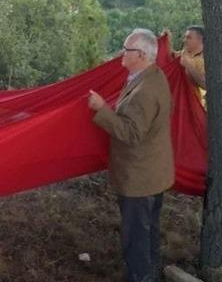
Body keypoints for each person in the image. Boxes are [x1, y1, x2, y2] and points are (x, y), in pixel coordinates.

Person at [88, 28, 174, 282]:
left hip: (139, 177)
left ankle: (141, 277)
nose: (120, 54)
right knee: (147, 233)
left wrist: (102, 109)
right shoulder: (152, 76)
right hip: (153, 173)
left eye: (126, 50)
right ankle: (150, 273)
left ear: (142, 55)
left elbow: (132, 134)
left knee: (136, 237)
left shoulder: (145, 90)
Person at [165, 25, 206, 108]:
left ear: (200, 40)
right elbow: (169, 59)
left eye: (188, 38)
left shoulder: (205, 60)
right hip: (177, 103)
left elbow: (205, 84)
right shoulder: (183, 54)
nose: (185, 40)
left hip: (193, 107)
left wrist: (188, 65)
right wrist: (167, 41)